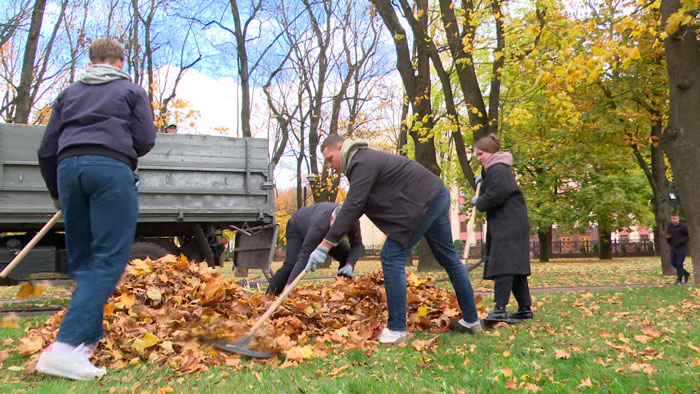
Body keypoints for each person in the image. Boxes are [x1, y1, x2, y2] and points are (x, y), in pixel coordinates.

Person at [36, 38, 156, 380]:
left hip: (67, 170)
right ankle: (65, 346)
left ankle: (81, 347)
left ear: (91, 62)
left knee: (84, 260)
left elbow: (47, 148)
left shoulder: (69, 94)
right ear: (120, 62)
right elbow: (146, 139)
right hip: (110, 170)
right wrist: (115, 151)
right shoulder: (131, 91)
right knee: (108, 258)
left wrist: (58, 191)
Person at [308, 134, 482, 344]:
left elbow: (355, 205)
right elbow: (358, 202)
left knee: (391, 256)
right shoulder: (364, 161)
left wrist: (324, 245)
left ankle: (397, 330)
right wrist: (340, 214)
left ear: (341, 146)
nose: (330, 166)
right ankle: (472, 321)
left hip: (424, 202)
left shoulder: (360, 161)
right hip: (436, 195)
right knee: (449, 258)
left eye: (329, 159)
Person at [470, 134, 532, 321]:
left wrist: (479, 202)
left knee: (504, 265)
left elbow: (498, 194)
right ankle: (524, 308)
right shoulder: (495, 170)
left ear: (491, 152)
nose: (478, 157)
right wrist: (485, 177)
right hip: (510, 223)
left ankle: (499, 308)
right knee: (515, 267)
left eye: (480, 154)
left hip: (509, 224)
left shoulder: (498, 170)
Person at [266, 202, 362, 296]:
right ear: (332, 219)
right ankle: (270, 296)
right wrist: (290, 288)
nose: (339, 233)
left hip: (325, 234)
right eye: (336, 230)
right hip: (297, 227)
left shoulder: (352, 220)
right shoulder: (319, 225)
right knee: (291, 264)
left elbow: (357, 245)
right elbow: (304, 257)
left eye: (343, 232)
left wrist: (349, 265)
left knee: (347, 257)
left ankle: (340, 291)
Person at [666, 212, 690, 285]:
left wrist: (681, 242)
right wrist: (668, 239)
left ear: (678, 218)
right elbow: (668, 236)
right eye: (672, 218)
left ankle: (679, 279)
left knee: (679, 263)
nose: (673, 220)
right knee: (673, 263)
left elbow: (687, 237)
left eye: (675, 218)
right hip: (673, 247)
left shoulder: (683, 226)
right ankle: (685, 273)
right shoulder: (670, 226)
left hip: (681, 247)